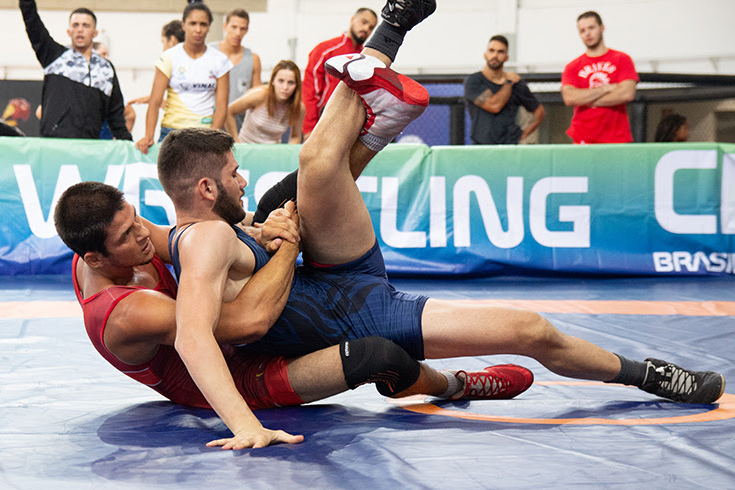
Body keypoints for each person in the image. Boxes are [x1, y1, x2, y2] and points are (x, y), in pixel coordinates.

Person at [156, 0, 725, 450]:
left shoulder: (200, 228)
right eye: (234, 175)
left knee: (314, 167)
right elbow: (194, 335)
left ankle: (392, 28)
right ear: (205, 189)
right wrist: (243, 423)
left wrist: (259, 234)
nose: (243, 181)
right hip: (351, 316)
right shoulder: (203, 239)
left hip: (333, 272)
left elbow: (188, 246)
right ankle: (646, 374)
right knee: (530, 329)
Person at [53, 180, 532, 450]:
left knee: (283, 200)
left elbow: (191, 235)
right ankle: (459, 385)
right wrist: (246, 425)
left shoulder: (119, 242)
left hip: (234, 332)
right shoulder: (125, 312)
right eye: (125, 236)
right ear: (94, 258)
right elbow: (241, 325)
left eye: (136, 217)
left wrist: (253, 231)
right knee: (372, 354)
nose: (141, 234)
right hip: (237, 374)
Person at [19, 0, 132, 140]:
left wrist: (128, 145)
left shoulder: (106, 69)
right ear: (69, 31)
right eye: (75, 25)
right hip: (54, 144)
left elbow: (116, 116)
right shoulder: (54, 56)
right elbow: (32, 22)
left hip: (89, 148)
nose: (80, 29)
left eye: (86, 26)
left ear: (95, 33)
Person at [136, 2, 232, 154]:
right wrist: (148, 136)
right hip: (172, 133)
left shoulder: (220, 60)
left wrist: (213, 138)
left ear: (209, 27)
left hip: (204, 134)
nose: (198, 29)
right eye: (193, 23)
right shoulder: (169, 57)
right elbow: (154, 102)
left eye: (203, 24)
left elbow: (221, 107)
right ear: (184, 25)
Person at [561, 11, 639, 144]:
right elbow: (569, 98)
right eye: (582, 30)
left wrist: (585, 98)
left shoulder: (622, 59)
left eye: (591, 28)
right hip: (583, 138)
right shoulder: (572, 66)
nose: (587, 33)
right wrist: (606, 89)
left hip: (616, 138)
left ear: (602, 28)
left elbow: (627, 93)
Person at [301, 7, 377, 140]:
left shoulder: (365, 59)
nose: (366, 29)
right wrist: (309, 128)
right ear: (353, 20)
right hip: (323, 123)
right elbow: (310, 91)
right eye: (363, 22)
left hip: (352, 126)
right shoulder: (325, 50)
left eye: (371, 27)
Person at [464, 35, 545, 145]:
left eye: (500, 52)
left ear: (506, 57)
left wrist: (525, 132)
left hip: (509, 147)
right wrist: (508, 83)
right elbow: (494, 105)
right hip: (481, 147)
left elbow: (539, 111)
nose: (495, 55)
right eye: (491, 50)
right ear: (485, 54)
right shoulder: (474, 81)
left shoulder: (517, 84)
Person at [225, 60, 305, 144]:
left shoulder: (298, 107)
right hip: (247, 149)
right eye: (281, 81)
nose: (285, 87)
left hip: (273, 153)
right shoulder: (260, 95)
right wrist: (236, 143)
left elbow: (295, 137)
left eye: (291, 83)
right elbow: (228, 111)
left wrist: (289, 155)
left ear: (297, 85)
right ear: (273, 81)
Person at [209, 9, 263, 132]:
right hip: (209, 121)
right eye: (234, 27)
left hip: (239, 126)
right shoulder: (209, 53)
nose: (238, 33)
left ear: (247, 30)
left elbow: (257, 98)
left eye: (242, 28)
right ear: (225, 26)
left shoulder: (253, 59)